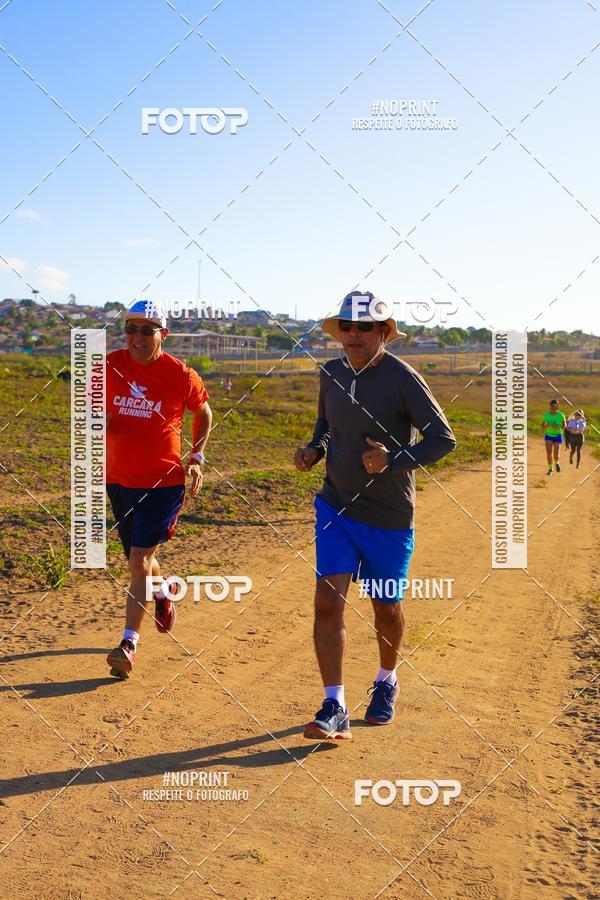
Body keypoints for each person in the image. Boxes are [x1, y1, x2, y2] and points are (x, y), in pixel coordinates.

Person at [294, 292, 456, 740]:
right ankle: (335, 705)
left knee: (386, 608)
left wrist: (393, 459)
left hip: (388, 516)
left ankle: (386, 681)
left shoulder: (403, 378)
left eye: (364, 327)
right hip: (335, 507)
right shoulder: (329, 373)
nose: (353, 334)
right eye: (346, 326)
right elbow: (326, 427)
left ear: (384, 333)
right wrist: (314, 450)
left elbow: (443, 440)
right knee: (328, 602)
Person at [105, 300, 212, 678]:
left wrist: (196, 458)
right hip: (118, 479)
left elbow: (204, 413)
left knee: (137, 562)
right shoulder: (110, 365)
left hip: (164, 482)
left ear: (163, 334)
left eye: (146, 330)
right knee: (142, 562)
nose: (137, 337)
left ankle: (128, 643)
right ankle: (163, 590)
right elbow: (94, 411)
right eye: (131, 329)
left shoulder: (181, 375)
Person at [542, 399, 566, 475]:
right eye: (552, 406)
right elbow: (542, 424)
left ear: (557, 407)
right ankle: (550, 469)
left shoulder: (560, 415)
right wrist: (545, 425)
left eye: (555, 406)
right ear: (550, 406)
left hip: (557, 436)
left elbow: (565, 425)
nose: (553, 407)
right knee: (549, 454)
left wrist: (560, 426)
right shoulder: (546, 414)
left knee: (556, 455)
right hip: (548, 435)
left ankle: (557, 463)